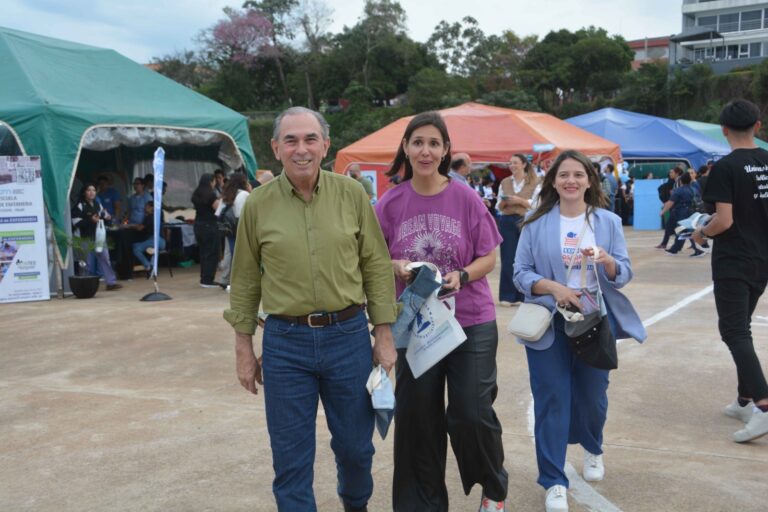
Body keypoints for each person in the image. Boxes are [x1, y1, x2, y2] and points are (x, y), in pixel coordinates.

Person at [223, 107, 397, 511]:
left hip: (348, 338)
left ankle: (355, 504)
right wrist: (243, 347)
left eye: (310, 139)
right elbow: (245, 279)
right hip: (285, 344)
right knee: (290, 460)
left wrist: (384, 333)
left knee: (356, 450)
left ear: (326, 145)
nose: (301, 149)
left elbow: (375, 264)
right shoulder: (258, 204)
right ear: (275, 148)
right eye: (291, 140)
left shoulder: (352, 194)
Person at [375, 111, 508, 512]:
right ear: (406, 148)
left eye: (434, 143)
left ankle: (493, 489)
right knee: (417, 420)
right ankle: (421, 505)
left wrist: (462, 275)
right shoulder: (390, 202)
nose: (426, 151)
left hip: (470, 321)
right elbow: (372, 258)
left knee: (471, 413)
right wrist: (395, 265)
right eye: (418, 142)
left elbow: (489, 256)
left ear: (446, 149)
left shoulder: (465, 196)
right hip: (415, 325)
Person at [514, 150, 645, 512]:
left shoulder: (608, 222)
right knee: (552, 398)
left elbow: (624, 273)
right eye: (563, 175)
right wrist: (553, 287)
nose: (570, 181)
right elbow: (520, 273)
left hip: (594, 321)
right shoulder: (535, 223)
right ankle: (553, 480)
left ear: (590, 180)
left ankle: (592, 445)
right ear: (554, 182)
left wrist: (608, 261)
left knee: (592, 397)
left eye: (578, 175)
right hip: (549, 322)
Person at [692, 99, 768, 442]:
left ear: (723, 130)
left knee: (734, 331)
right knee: (743, 328)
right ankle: (744, 399)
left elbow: (724, 221)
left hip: (734, 260)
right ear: (758, 126)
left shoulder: (725, 167)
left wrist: (700, 232)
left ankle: (763, 405)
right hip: (761, 259)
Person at [497, 153, 538, 307]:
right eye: (510, 163)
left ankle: (523, 295)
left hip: (526, 221)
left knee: (525, 259)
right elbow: (498, 206)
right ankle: (507, 296)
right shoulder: (505, 182)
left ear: (524, 164)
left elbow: (537, 204)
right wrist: (504, 202)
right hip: (507, 221)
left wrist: (520, 201)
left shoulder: (535, 181)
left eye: (515, 162)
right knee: (507, 258)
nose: (512, 166)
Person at [71, 183, 122, 291]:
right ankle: (85, 286)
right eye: (89, 190)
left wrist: (107, 216)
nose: (91, 192)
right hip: (84, 237)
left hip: (98, 236)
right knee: (86, 263)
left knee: (105, 258)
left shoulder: (97, 204)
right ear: (84, 192)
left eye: (93, 190)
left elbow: (103, 215)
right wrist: (90, 220)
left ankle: (111, 283)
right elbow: (75, 222)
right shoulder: (79, 205)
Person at [215, 173, 251, 287]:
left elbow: (218, 213)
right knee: (242, 255)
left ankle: (227, 279)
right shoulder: (244, 194)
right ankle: (240, 280)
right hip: (241, 227)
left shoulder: (226, 194)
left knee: (231, 253)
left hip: (229, 229)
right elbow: (246, 212)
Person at [660, 172, 703, 257]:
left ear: (681, 181)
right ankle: (675, 249)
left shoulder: (679, 190)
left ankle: (698, 250)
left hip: (682, 212)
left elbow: (670, 203)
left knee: (684, 231)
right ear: (690, 181)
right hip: (693, 212)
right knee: (685, 231)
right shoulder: (694, 189)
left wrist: (663, 211)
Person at [190, 174, 221, 288]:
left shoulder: (196, 194)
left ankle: (203, 277)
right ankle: (208, 279)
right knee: (212, 253)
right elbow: (218, 209)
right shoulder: (211, 194)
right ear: (211, 182)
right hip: (209, 225)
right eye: (214, 181)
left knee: (203, 252)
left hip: (198, 224)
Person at [131, 200, 165, 275]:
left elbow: (140, 228)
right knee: (137, 245)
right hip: (162, 242)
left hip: (154, 240)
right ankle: (151, 266)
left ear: (151, 207)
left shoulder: (149, 217)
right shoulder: (157, 216)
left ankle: (148, 266)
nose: (145, 208)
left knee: (136, 249)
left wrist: (131, 226)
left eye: (146, 206)